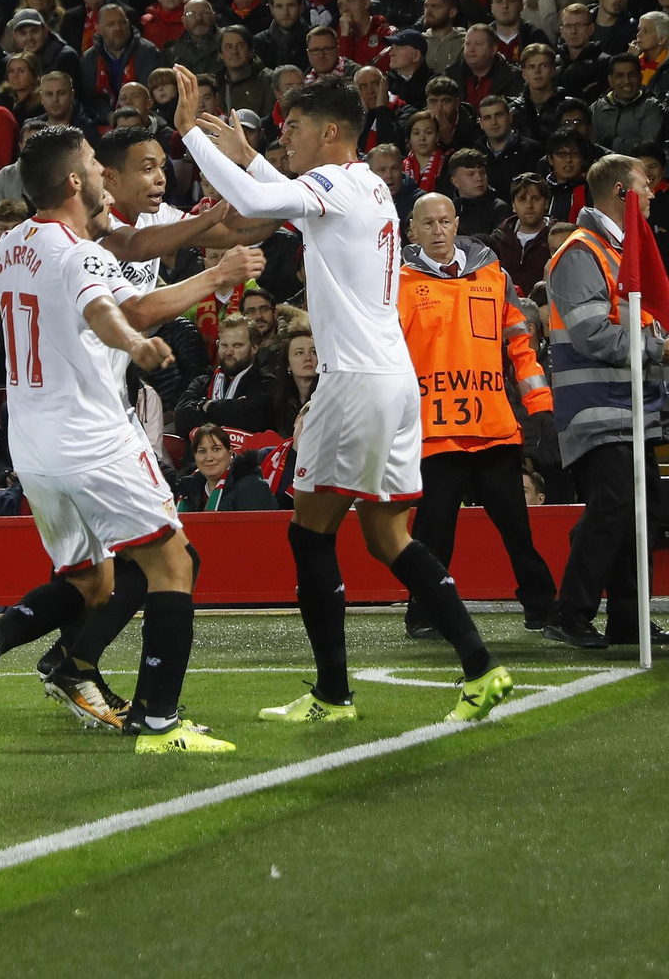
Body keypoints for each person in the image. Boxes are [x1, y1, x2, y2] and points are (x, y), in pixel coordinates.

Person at [175, 65, 513, 724]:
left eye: (293, 130)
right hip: (391, 381)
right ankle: (480, 667)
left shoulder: (331, 183)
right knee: (387, 538)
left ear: (331, 131)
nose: (285, 141)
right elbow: (280, 191)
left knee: (309, 535)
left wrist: (192, 135)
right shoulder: (369, 188)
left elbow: (260, 200)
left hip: (354, 381)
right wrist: (244, 153)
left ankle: (333, 694)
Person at [0, 123, 232, 751]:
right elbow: (118, 311)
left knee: (92, 582)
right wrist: (210, 281)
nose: (101, 172)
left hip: (33, 448)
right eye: (95, 164)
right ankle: (160, 723)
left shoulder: (15, 243)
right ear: (74, 180)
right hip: (95, 437)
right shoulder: (82, 253)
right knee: (174, 562)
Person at [398, 193, 559, 637]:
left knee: (517, 530)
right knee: (434, 533)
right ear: (412, 231)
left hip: (493, 427)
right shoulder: (396, 282)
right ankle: (423, 612)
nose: (437, 231)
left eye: (444, 222)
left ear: (457, 224)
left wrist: (539, 405)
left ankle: (542, 608)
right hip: (435, 431)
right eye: (427, 224)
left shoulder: (493, 273)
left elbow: (520, 343)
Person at [544, 154, 669, 650]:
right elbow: (594, 335)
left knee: (640, 509)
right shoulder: (582, 252)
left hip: (628, 406)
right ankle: (569, 613)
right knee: (617, 504)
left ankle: (628, 619)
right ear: (621, 193)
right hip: (598, 407)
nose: (654, 193)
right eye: (645, 184)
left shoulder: (618, 251)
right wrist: (660, 343)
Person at [176, 423, 278, 511]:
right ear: (195, 456)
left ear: (230, 453)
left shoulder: (253, 488)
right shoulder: (187, 490)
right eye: (202, 451)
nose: (209, 458)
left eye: (216, 449)